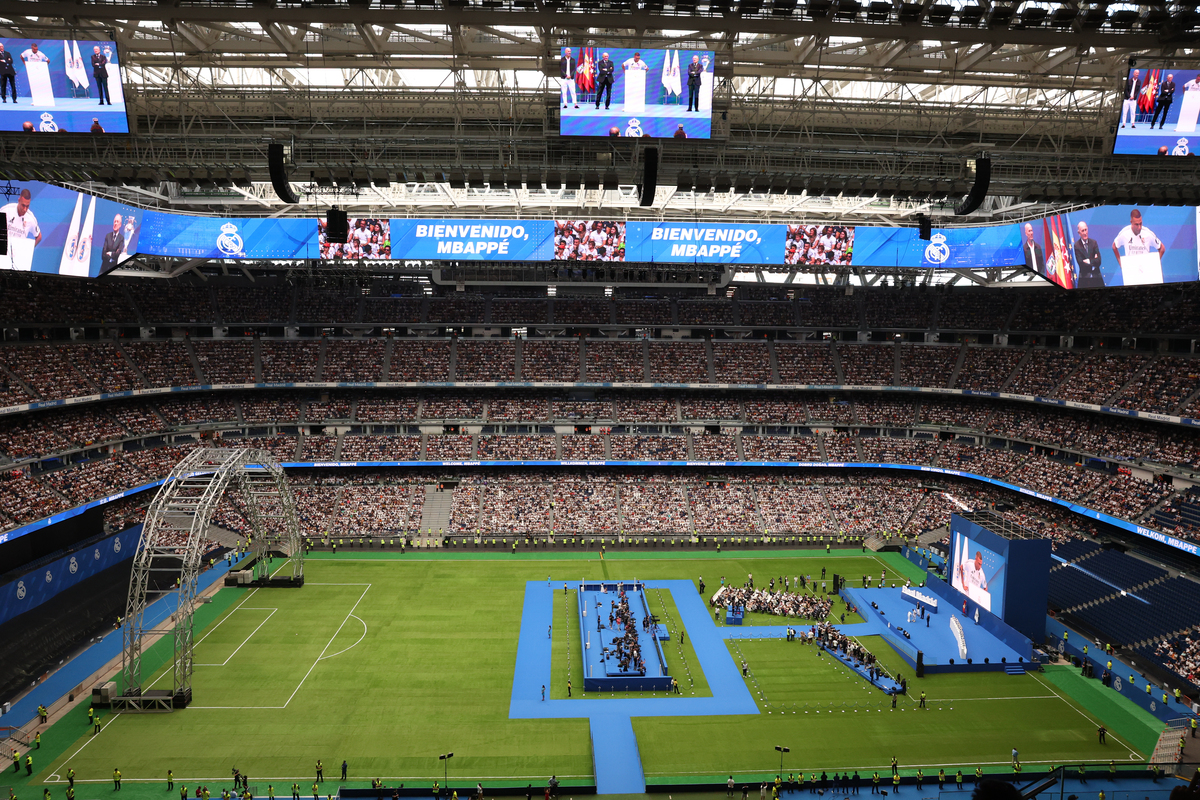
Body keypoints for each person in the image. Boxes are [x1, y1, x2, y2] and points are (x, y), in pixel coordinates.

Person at [1112, 209, 1165, 286]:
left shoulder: (1148, 234)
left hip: (1146, 273)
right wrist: (1122, 265)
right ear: (1131, 222)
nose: (1139, 227)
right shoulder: (1124, 233)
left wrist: (1154, 264)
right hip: (1131, 274)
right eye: (1136, 224)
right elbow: (1114, 246)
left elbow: (1162, 248)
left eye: (1141, 224)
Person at [1071, 221, 1104, 287]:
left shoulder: (1094, 243)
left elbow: (1099, 261)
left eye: (1086, 230)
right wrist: (1094, 260)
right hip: (1084, 279)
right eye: (1082, 231)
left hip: (1097, 278)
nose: (1085, 233)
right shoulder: (1077, 246)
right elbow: (1081, 264)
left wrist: (1089, 261)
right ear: (1079, 233)